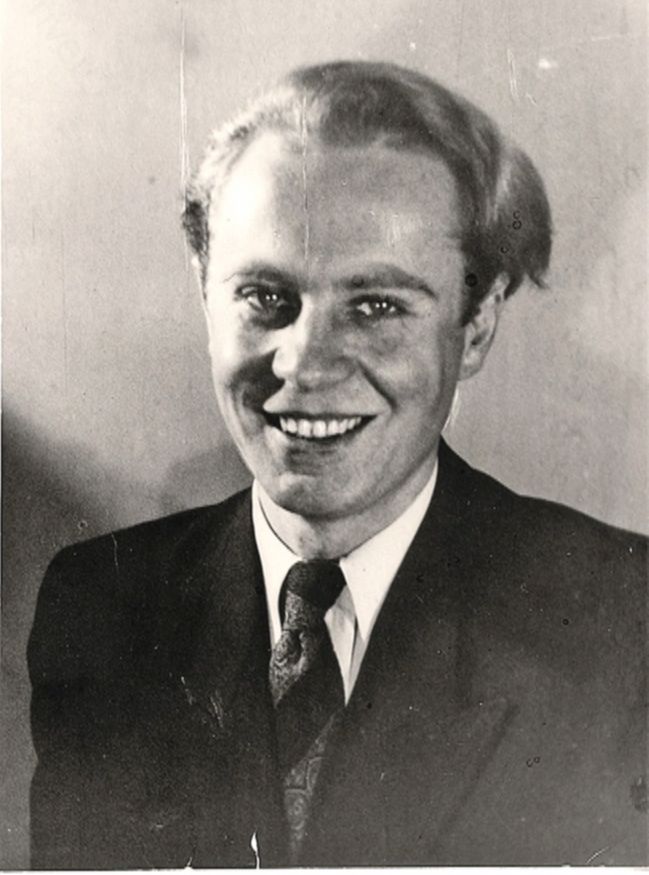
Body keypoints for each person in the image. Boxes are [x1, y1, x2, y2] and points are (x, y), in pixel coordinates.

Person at [28, 61, 647, 868]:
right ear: (204, 294)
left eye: (376, 305)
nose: (304, 364)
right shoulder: (100, 605)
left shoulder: (622, 621)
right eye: (265, 297)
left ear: (477, 324)